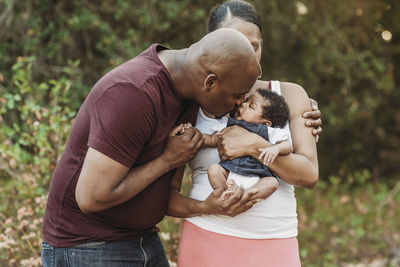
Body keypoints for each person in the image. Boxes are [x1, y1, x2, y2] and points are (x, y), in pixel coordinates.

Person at [40, 28, 262, 266]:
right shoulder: (133, 93)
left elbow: (165, 194)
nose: (239, 104)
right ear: (210, 82)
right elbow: (91, 198)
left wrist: (207, 206)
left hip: (143, 239)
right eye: (238, 96)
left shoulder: (189, 93)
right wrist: (167, 160)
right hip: (88, 245)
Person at [168, 1, 320, 266]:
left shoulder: (290, 95)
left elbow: (308, 175)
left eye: (254, 46)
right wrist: (208, 207)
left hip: (275, 241)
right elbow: (167, 199)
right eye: (235, 43)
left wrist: (252, 145)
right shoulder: (191, 104)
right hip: (206, 238)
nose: (247, 54)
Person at [206, 89, 292, 201]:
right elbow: (213, 138)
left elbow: (288, 145)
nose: (243, 104)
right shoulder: (229, 123)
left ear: (265, 123)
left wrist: (276, 149)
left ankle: (244, 196)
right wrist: (197, 136)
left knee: (272, 183)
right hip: (230, 170)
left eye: (251, 106)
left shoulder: (269, 131)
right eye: (246, 101)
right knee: (213, 170)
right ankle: (226, 192)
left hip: (258, 174)